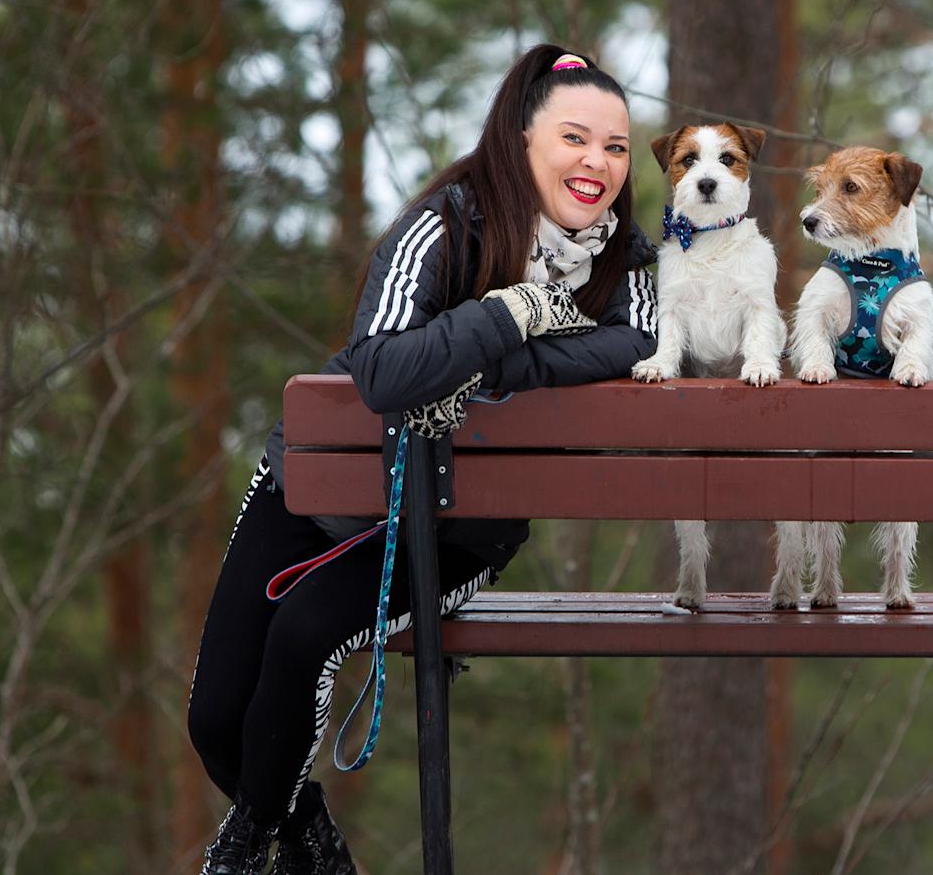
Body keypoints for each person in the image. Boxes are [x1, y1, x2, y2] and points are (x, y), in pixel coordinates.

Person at [186, 44, 657, 875]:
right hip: (316, 490)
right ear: (521, 139)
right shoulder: (443, 224)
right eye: (575, 138)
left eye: (615, 147)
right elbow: (381, 368)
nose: (598, 162)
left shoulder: (627, 262)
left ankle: (241, 850)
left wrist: (501, 356)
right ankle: (310, 843)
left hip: (450, 531)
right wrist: (509, 314)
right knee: (215, 721)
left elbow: (641, 343)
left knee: (305, 634)